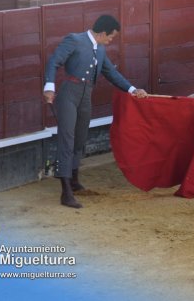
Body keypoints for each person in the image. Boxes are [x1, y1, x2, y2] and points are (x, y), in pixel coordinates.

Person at [43, 14, 148, 208]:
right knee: (67, 140)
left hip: (85, 96)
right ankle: (65, 193)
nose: (110, 41)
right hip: (68, 95)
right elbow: (54, 61)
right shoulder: (74, 40)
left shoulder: (99, 49)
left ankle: (73, 181)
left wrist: (132, 90)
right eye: (111, 37)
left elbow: (111, 73)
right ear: (102, 33)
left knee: (80, 138)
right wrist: (49, 85)